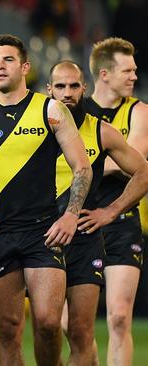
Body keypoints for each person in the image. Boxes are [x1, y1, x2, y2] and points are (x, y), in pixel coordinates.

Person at [0, 34, 92, 366]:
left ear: (25, 67)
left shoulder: (49, 110)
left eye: (8, 59)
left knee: (49, 324)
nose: (0, 66)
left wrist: (70, 216)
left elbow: (82, 167)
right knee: (7, 330)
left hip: (43, 231)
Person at [48, 60, 148, 366]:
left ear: (84, 88)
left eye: (73, 86)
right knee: (51, 325)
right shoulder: (31, 129)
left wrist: (109, 211)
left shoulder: (102, 131)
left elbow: (143, 171)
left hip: (88, 236)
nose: (67, 93)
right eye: (60, 86)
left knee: (89, 326)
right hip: (42, 238)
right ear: (48, 90)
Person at [83, 37, 148, 366]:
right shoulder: (76, 110)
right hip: (80, 223)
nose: (135, 76)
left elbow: (132, 162)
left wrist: (81, 165)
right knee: (73, 326)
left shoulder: (141, 112)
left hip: (121, 220)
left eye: (135, 70)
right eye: (128, 70)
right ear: (104, 74)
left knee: (119, 318)